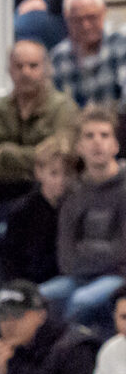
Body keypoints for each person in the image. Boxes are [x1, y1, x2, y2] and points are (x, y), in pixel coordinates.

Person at [44, 105, 126, 335]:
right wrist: (88, 261)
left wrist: (86, 255)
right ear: (79, 147)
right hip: (78, 276)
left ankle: (72, 350)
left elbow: (122, 252)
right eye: (89, 136)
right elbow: (65, 254)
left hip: (118, 277)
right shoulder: (74, 192)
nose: (97, 142)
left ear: (115, 145)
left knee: (81, 301)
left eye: (104, 135)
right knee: (40, 298)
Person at [0, 40, 79, 208]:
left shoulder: (63, 108)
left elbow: (58, 159)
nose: (25, 72)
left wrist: (6, 154)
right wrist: (32, 159)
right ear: (9, 70)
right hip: (0, 195)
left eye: (33, 66)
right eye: (19, 66)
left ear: (47, 69)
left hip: (48, 199)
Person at [0, 134, 73, 289]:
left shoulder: (75, 206)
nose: (61, 181)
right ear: (39, 172)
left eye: (67, 174)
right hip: (32, 283)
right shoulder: (21, 212)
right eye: (54, 173)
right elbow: (12, 262)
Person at [48, 0, 126, 109]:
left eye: (92, 17)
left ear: (103, 13)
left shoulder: (121, 46)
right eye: (77, 20)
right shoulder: (58, 57)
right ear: (67, 20)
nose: (86, 25)